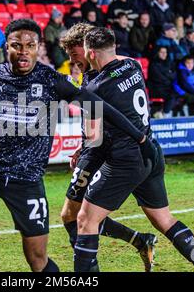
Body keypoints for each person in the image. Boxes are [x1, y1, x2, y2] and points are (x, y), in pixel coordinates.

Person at [0, 19, 158, 272]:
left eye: (30, 45)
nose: (23, 51)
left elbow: (100, 107)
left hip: (27, 181)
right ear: (7, 47)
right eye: (16, 45)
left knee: (37, 259)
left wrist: (140, 137)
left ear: (38, 47)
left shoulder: (51, 80)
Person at [73, 28, 194, 272]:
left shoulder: (94, 89)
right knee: (164, 219)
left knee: (85, 220)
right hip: (151, 152)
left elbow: (92, 136)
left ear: (89, 53)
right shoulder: (132, 65)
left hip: (124, 160)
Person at [60, 23, 159, 272]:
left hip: (102, 151)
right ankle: (140, 240)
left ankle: (87, 268)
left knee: (79, 217)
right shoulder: (99, 72)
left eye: (75, 55)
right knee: (72, 215)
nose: (73, 61)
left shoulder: (97, 78)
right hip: (97, 148)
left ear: (88, 49)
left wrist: (85, 148)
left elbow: (96, 127)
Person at [148, 46, 177, 118]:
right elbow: (158, 78)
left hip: (167, 87)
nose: (164, 54)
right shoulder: (153, 64)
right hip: (156, 88)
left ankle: (163, 112)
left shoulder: (169, 62)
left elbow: (174, 75)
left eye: (165, 52)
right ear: (157, 53)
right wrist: (168, 74)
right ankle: (165, 114)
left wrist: (167, 74)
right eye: (162, 52)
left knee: (178, 94)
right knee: (171, 95)